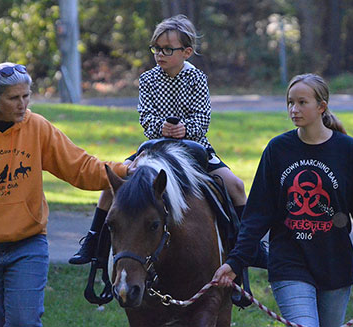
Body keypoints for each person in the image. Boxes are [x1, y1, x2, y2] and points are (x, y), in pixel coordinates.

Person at [0, 62, 134, 327]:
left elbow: (78, 166)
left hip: (26, 246)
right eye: (13, 98)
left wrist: (122, 170)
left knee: (24, 322)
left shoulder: (36, 127)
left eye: (26, 96)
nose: (22, 104)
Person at [69, 14, 254, 266]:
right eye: (156, 48)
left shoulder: (197, 79)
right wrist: (162, 128)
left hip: (195, 146)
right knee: (112, 185)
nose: (160, 54)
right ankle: (93, 243)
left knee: (235, 186)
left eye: (168, 49)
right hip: (155, 147)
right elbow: (145, 117)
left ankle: (248, 247)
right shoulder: (148, 80)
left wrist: (185, 129)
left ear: (186, 52)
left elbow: (203, 117)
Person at [213, 73, 353, 327]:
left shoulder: (347, 150)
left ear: (321, 106)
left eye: (302, 102)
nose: (294, 109)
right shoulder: (277, 149)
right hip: (289, 262)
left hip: (334, 266)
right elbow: (257, 215)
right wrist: (236, 261)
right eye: (290, 102)